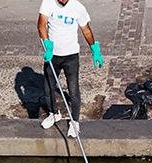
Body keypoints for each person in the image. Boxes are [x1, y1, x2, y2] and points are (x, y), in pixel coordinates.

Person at [38, 0, 105, 138]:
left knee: (73, 91)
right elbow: (41, 25)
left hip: (71, 57)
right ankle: (54, 114)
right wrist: (47, 43)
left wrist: (95, 49)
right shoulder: (48, 3)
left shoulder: (78, 7)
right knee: (48, 88)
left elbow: (86, 30)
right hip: (53, 55)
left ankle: (75, 122)